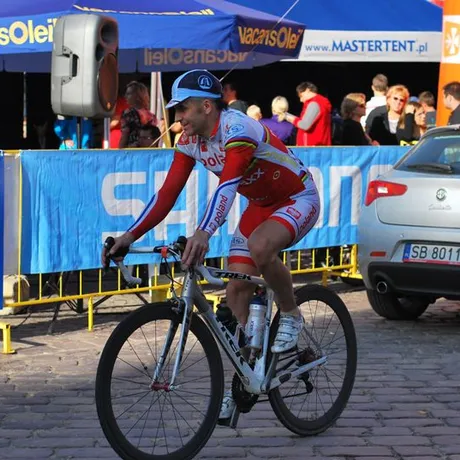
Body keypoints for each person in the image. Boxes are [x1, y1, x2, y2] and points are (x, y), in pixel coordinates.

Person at [101, 69, 320, 425]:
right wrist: (129, 236)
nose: (178, 118)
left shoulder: (237, 128)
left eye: (183, 109)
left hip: (297, 197)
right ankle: (248, 377)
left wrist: (203, 232)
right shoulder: (188, 140)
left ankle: (291, 314)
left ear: (206, 106)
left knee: (261, 247)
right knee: (235, 292)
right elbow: (167, 194)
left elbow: (229, 184)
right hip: (260, 206)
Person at [284, 82, 332, 146]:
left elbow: (304, 125)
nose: (301, 100)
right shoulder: (320, 103)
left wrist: (289, 118)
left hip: (311, 149)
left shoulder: (314, 104)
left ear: (307, 90)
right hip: (318, 147)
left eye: (301, 96)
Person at [119, 81, 158, 148]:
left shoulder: (128, 114)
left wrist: (120, 152)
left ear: (137, 96)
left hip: (132, 152)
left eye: (128, 94)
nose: (125, 96)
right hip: (148, 151)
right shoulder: (151, 115)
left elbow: (125, 136)